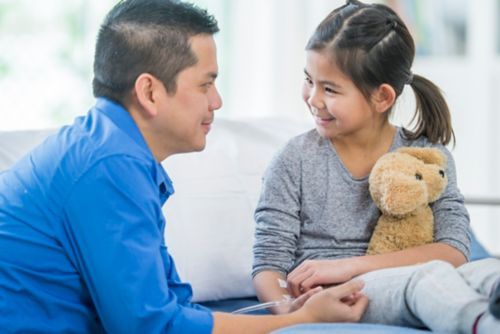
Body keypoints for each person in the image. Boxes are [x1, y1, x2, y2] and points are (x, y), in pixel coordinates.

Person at [0, 0, 369, 333]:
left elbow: (173, 307)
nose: (217, 101)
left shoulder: (111, 148)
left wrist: (287, 310)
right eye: (205, 84)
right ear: (149, 92)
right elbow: (151, 328)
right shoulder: (107, 168)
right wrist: (300, 320)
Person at [252, 0, 500, 333]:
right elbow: (269, 262)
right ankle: (483, 326)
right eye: (309, 80)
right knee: (427, 280)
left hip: (407, 273)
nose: (313, 98)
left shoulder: (428, 156)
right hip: (344, 295)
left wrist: (346, 266)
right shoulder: (294, 159)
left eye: (330, 89)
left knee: (489, 273)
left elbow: (454, 252)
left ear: (382, 97)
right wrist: (289, 311)